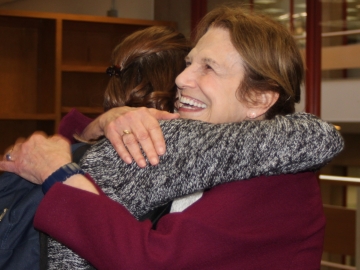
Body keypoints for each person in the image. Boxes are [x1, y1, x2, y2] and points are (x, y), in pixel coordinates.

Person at [0, 6, 343, 269]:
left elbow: (151, 261)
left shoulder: (279, 184)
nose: (181, 78)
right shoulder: (206, 148)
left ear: (259, 99)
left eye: (208, 67)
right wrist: (97, 126)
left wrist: (60, 176)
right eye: (189, 62)